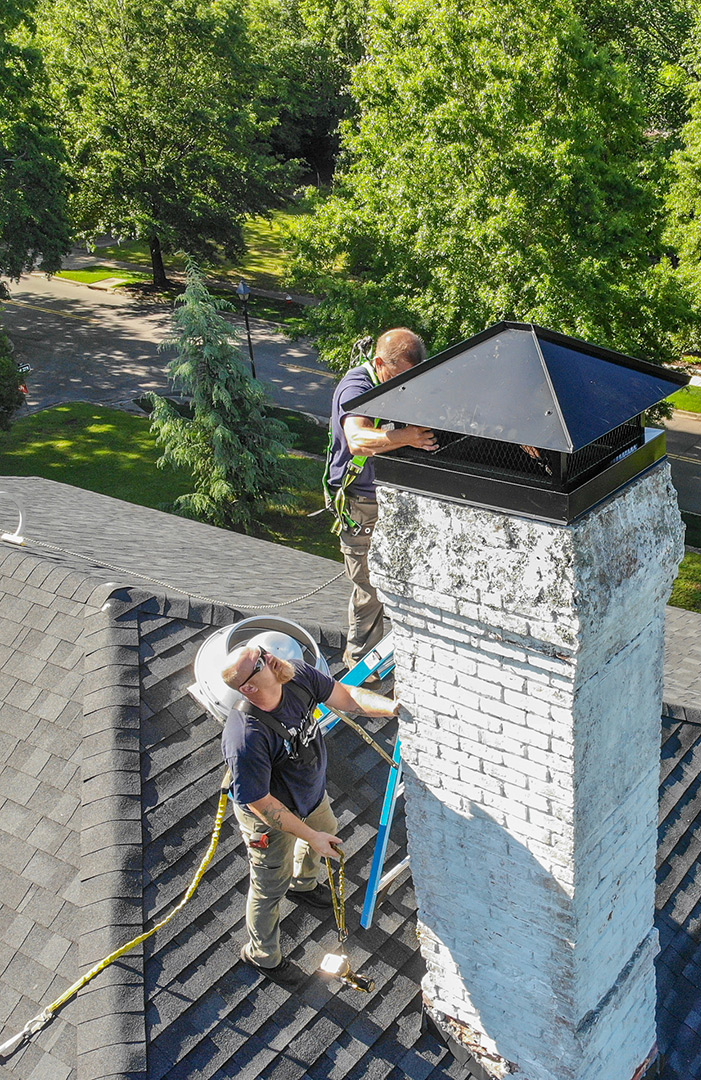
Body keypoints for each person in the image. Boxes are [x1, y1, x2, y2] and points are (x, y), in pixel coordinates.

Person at [220, 643, 397, 982]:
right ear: (249, 688)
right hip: (270, 819)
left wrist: (393, 708)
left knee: (327, 827)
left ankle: (302, 885)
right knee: (269, 887)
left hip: (309, 793)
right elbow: (261, 803)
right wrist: (310, 836)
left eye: (262, 651)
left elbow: (347, 696)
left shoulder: (297, 675)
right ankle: (262, 954)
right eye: (260, 662)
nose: (270, 656)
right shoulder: (246, 737)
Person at [325, 328, 437, 669]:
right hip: (361, 504)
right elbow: (357, 439)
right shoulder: (357, 386)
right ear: (379, 363)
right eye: (399, 376)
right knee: (370, 587)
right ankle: (362, 667)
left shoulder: (396, 380)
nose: (405, 385)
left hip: (392, 498)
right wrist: (408, 436)